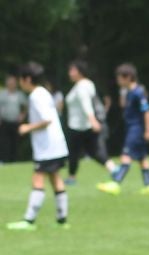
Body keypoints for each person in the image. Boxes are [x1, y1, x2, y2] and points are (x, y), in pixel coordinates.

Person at [6, 63, 70, 231]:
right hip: (57, 144)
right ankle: (62, 220)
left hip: (47, 147)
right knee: (55, 178)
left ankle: (29, 220)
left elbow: (46, 120)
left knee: (38, 178)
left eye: (21, 79)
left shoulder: (36, 95)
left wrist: (27, 127)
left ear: (27, 79)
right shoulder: (43, 92)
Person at [96, 63, 149, 196]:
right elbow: (124, 106)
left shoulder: (138, 93)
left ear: (128, 77)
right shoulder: (129, 92)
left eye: (120, 78)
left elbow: (147, 112)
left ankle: (116, 183)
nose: (118, 81)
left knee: (126, 155)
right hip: (133, 128)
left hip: (136, 129)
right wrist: (123, 93)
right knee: (142, 157)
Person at [64, 60, 110, 182]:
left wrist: (92, 120)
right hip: (83, 125)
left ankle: (71, 177)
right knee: (94, 151)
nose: (70, 73)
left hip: (79, 126)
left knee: (75, 153)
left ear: (80, 72)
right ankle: (113, 169)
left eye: (72, 70)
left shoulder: (81, 86)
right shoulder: (87, 84)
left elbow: (86, 104)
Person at [1, 75, 26, 164]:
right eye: (10, 83)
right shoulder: (2, 94)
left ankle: (14, 160)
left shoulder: (19, 94)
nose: (11, 84)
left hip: (15, 122)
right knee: (4, 142)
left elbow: (24, 107)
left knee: (15, 142)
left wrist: (22, 116)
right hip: (4, 121)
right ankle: (3, 160)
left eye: (13, 83)